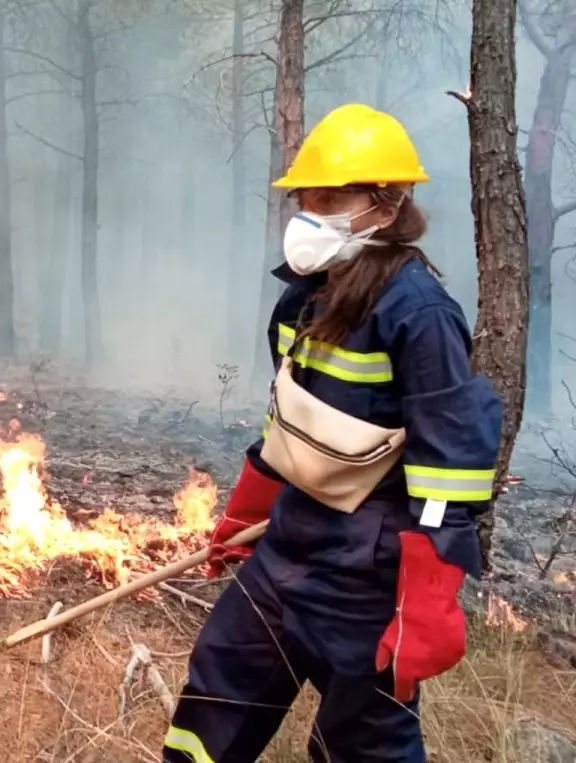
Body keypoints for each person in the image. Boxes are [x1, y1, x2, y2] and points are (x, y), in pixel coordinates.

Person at [162, 103, 504, 763]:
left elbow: (452, 463)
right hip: (287, 544)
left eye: (328, 196)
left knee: (362, 742)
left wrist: (430, 593)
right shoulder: (305, 299)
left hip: (367, 571)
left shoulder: (420, 313)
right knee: (217, 693)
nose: (309, 212)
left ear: (386, 203)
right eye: (305, 197)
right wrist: (246, 513)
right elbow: (288, 420)